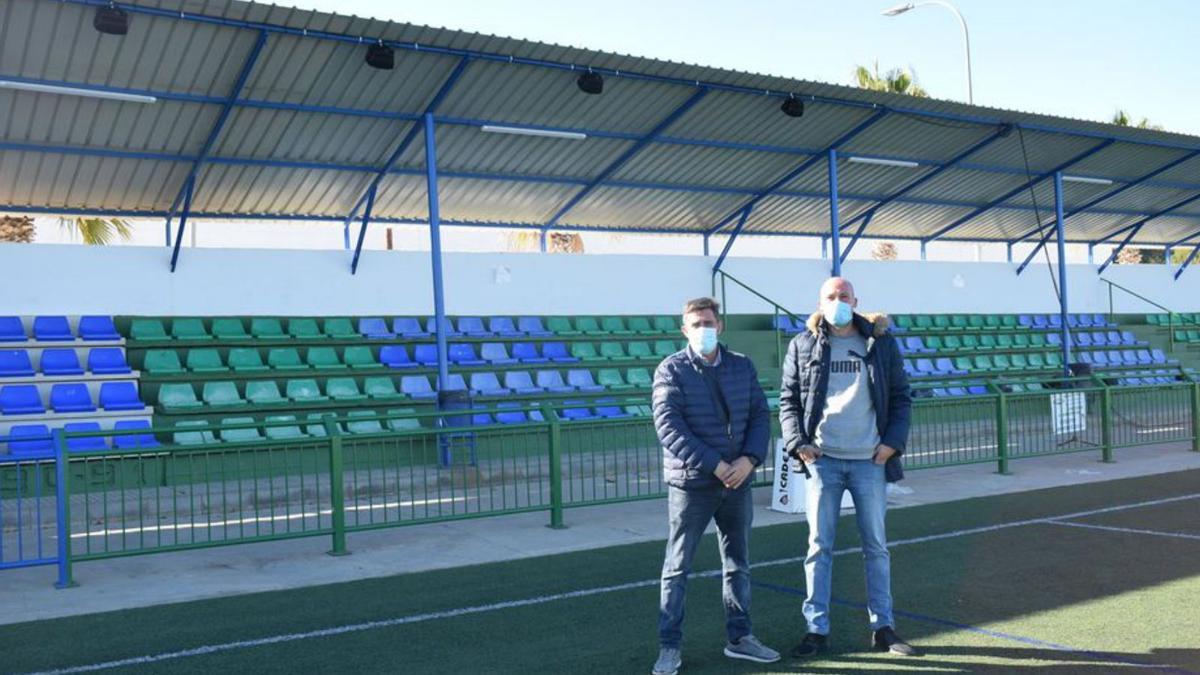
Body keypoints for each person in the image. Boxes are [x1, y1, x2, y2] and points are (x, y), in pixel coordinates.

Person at [779, 277, 917, 659]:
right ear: (819, 302)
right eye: (830, 296)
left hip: (870, 461)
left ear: (856, 300)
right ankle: (816, 629)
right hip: (823, 461)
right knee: (818, 548)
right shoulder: (802, 344)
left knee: (875, 547)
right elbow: (787, 400)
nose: (837, 301)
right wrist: (798, 444)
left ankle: (883, 628)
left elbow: (902, 397)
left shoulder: (881, 343)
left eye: (844, 296)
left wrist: (892, 443)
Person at [650, 297, 780, 675]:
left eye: (708, 322)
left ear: (720, 325)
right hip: (691, 485)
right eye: (695, 323)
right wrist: (717, 465)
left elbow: (760, 415)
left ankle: (740, 638)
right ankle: (669, 647)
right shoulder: (671, 370)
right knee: (677, 568)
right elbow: (669, 428)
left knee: (738, 563)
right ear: (684, 330)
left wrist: (749, 460)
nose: (703, 329)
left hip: (737, 483)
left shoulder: (741, 366)